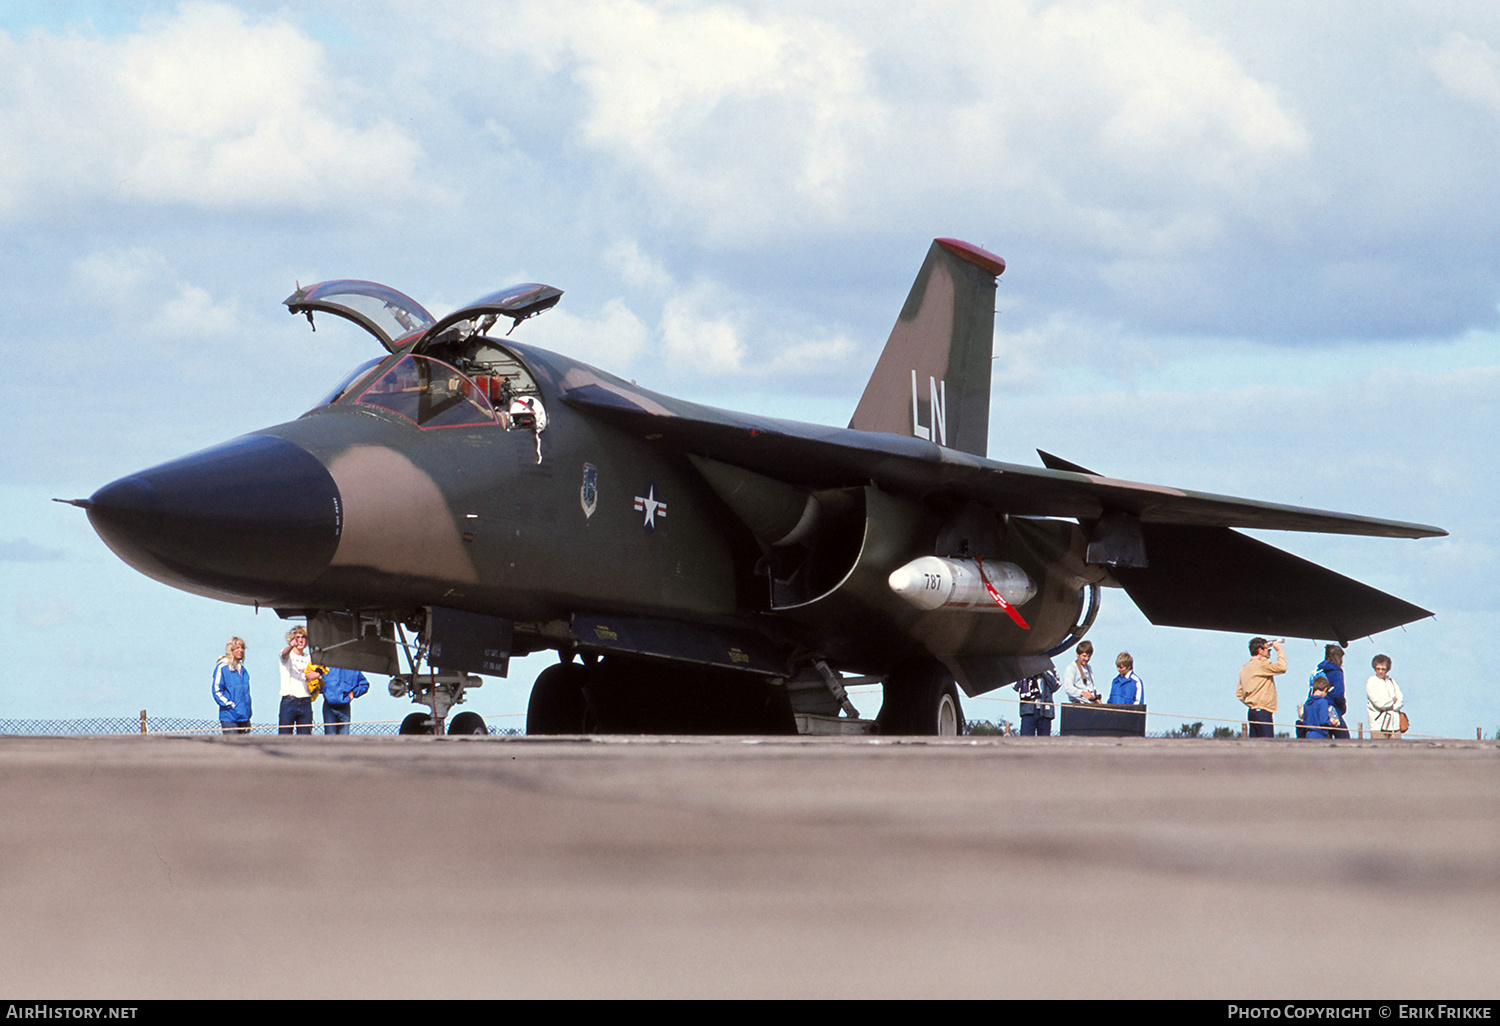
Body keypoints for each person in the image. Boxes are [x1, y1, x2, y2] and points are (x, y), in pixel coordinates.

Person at [1237, 637, 1285, 738]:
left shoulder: (1244, 668)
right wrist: (1279, 650)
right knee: (1267, 745)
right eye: (1267, 649)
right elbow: (1282, 667)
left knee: (1255, 746)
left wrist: (1251, 702)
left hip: (1252, 711)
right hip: (1263, 712)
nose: (1269, 652)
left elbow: (1239, 693)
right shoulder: (1261, 663)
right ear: (1260, 650)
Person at [278, 624, 314, 736]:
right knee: (284, 736)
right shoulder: (288, 655)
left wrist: (317, 675)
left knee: (305, 737)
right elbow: (283, 655)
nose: (300, 640)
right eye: (297, 637)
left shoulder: (309, 658)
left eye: (302, 637)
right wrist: (290, 646)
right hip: (290, 700)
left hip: (306, 700)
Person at [212, 637, 251, 735]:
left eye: (242, 648)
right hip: (229, 717)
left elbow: (246, 694)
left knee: (244, 748)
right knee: (233, 747)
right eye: (237, 648)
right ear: (231, 650)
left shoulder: (243, 670)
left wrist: (248, 715)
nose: (240, 650)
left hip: (243, 717)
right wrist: (229, 704)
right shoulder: (222, 667)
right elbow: (216, 690)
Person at [321, 666, 371, 735]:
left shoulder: (353, 669)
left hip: (345, 707)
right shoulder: (326, 667)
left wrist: (353, 693)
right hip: (329, 707)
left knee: (344, 738)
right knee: (330, 738)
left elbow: (364, 685)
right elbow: (317, 680)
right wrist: (323, 691)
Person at [1366, 654, 1405, 739]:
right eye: (1378, 669)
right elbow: (1378, 703)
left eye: (1383, 669)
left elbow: (1400, 699)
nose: (1380, 671)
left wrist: (1393, 706)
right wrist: (1392, 701)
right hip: (1378, 726)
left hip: (1394, 726)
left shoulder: (1391, 681)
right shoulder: (1371, 682)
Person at [1302, 673, 1347, 740]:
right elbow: (1323, 721)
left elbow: (1305, 721)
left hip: (1309, 734)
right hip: (1320, 735)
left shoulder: (1307, 703)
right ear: (1325, 689)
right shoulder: (1323, 702)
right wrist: (1332, 723)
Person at [1014, 669, 1059, 736]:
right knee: (1025, 741)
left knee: (1044, 742)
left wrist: (1044, 671)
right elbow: (1015, 686)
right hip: (1028, 710)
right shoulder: (1023, 666)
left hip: (1045, 711)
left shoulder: (1050, 667)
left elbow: (1055, 686)